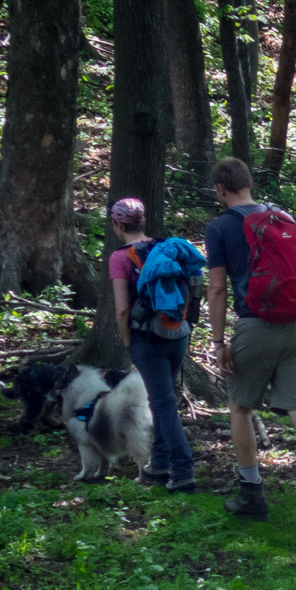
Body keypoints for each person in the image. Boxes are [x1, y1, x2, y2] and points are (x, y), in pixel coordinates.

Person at [203, 157, 296, 535]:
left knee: (240, 406)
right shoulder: (283, 217)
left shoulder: (219, 227)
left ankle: (251, 493)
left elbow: (217, 288)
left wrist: (218, 342)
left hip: (255, 325)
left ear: (221, 189)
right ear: (249, 183)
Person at [107, 197, 196, 492]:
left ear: (118, 224)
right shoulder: (167, 248)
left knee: (162, 403)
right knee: (163, 399)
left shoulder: (120, 258)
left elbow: (121, 309)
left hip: (147, 338)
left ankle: (183, 470)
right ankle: (159, 462)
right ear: (143, 221)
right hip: (178, 333)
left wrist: (127, 339)